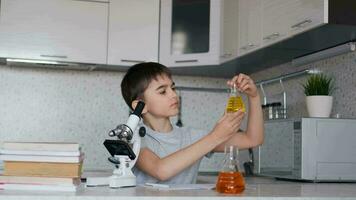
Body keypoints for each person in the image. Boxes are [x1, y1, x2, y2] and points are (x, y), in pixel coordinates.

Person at [120, 62, 264, 184]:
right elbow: (160, 170)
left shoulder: (194, 136)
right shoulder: (131, 137)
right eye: (163, 91)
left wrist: (254, 96)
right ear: (141, 105)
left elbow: (253, 139)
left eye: (173, 88)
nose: (173, 95)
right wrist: (215, 136)